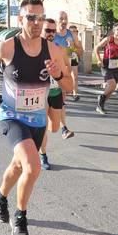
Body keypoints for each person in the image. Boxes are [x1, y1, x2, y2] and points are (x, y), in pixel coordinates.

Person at [0, 0, 72, 235]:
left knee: (19, 166)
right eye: (31, 17)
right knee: (32, 166)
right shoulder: (7, 47)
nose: (37, 22)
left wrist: (58, 74)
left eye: (41, 17)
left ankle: (0, 195)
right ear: (20, 20)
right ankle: (20, 217)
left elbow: (69, 86)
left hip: (37, 121)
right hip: (11, 116)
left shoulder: (54, 51)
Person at [38, 18, 74, 170]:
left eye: (53, 31)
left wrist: (63, 81)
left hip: (56, 91)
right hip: (41, 93)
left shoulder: (59, 49)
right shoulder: (35, 49)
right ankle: (43, 155)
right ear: (41, 30)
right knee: (43, 126)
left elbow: (67, 67)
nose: (51, 34)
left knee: (54, 128)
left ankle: (50, 128)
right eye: (47, 30)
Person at [94, 23, 118, 115]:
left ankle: (100, 104)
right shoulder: (108, 39)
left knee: (112, 89)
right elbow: (96, 48)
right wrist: (99, 60)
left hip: (115, 67)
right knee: (112, 85)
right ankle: (100, 99)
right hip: (106, 65)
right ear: (114, 31)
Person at [54, 11, 83, 101]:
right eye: (61, 19)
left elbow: (80, 50)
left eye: (65, 19)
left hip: (71, 55)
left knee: (75, 75)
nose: (64, 21)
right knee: (60, 78)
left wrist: (72, 47)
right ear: (56, 21)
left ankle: (74, 92)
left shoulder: (72, 34)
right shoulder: (53, 34)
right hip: (59, 59)